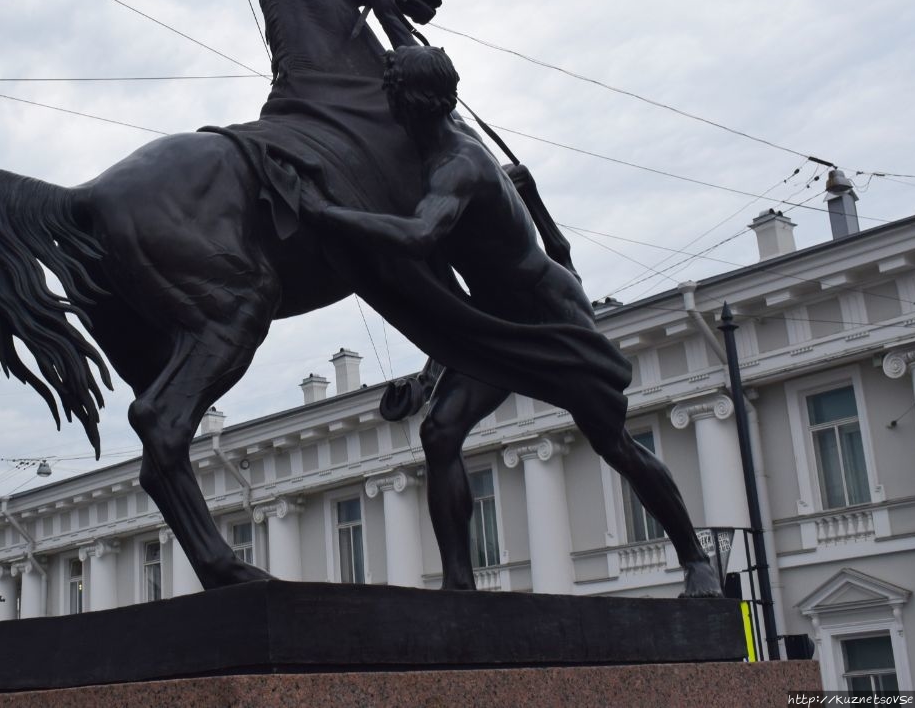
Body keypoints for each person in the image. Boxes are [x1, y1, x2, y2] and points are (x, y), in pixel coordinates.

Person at [302, 45, 721, 596]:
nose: (385, 101)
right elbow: (463, 303)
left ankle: (697, 563)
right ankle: (459, 586)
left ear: (411, 101)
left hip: (549, 313)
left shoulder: (459, 164)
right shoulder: (429, 146)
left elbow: (420, 237)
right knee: (440, 431)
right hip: (496, 316)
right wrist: (429, 380)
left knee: (612, 441)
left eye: (391, 92)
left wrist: (323, 214)